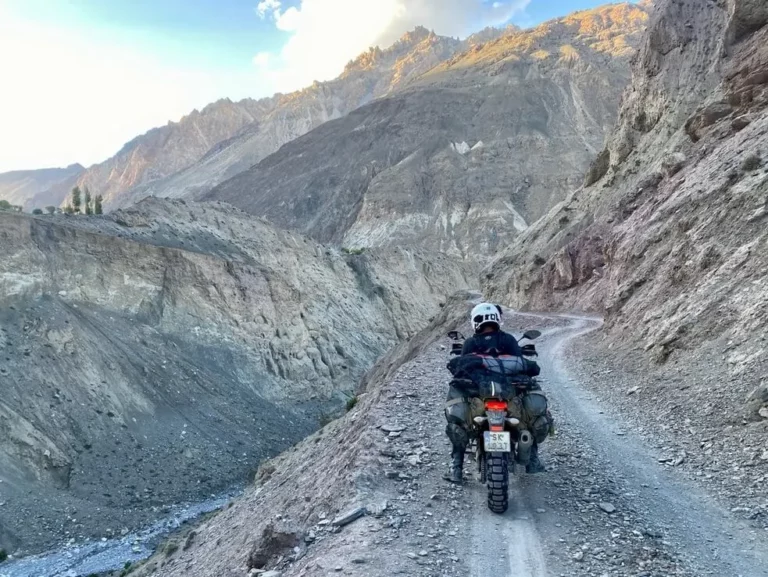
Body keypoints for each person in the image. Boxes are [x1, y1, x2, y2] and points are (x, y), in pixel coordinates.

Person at [443, 303, 546, 484]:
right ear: (497, 319)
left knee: (459, 421)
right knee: (528, 415)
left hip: (481, 397)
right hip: (506, 395)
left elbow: (461, 370)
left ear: (475, 321)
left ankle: (456, 467)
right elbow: (522, 368)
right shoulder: (508, 340)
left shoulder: (470, 343)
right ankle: (533, 459)